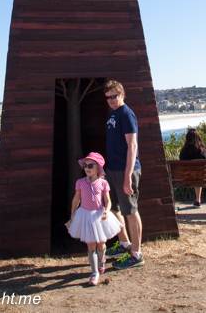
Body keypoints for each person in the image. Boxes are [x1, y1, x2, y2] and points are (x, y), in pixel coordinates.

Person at [103, 80, 144, 270]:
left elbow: (132, 146)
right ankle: (125, 243)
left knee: (130, 210)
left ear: (122, 94)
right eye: (108, 97)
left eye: (114, 96)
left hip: (126, 170)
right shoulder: (113, 113)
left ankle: (136, 255)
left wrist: (128, 176)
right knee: (114, 208)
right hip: (113, 169)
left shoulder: (126, 114)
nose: (110, 100)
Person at [66, 151, 122, 286]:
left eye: (91, 165)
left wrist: (107, 211)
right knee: (90, 244)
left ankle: (101, 261)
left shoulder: (103, 183)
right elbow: (76, 200)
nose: (87, 168)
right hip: (85, 215)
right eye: (85, 165)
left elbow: (108, 201)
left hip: (99, 216)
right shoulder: (80, 183)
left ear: (98, 168)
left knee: (101, 244)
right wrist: (72, 215)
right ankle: (94, 272)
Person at [179, 128, 206, 207]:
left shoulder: (184, 151)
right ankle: (198, 199)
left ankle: (198, 200)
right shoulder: (203, 151)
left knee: (196, 175)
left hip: (187, 178)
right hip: (203, 178)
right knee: (199, 175)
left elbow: (181, 162)